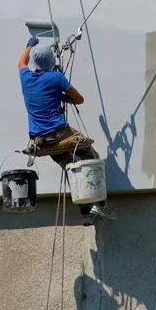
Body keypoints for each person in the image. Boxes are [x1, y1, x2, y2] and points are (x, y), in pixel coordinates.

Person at [18, 36, 116, 225]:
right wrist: (61, 95)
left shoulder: (25, 77)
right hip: (62, 133)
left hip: (40, 140)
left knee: (72, 168)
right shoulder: (56, 77)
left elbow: (21, 62)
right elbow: (79, 99)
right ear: (52, 62)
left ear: (34, 62)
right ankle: (100, 203)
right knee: (90, 158)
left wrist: (30, 46)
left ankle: (86, 213)